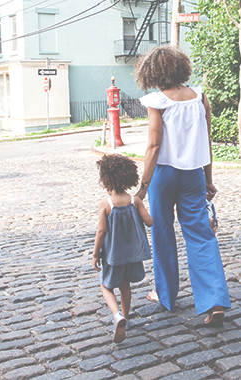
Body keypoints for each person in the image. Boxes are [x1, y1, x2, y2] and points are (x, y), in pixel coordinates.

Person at [134, 45, 230, 325]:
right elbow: (206, 141)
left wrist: (142, 186)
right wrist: (209, 178)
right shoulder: (199, 97)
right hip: (193, 175)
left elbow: (154, 145)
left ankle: (166, 295)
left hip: (164, 175)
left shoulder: (157, 101)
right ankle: (213, 301)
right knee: (201, 235)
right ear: (180, 68)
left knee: (162, 233)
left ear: (152, 72)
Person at [92, 154, 153, 343]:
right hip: (132, 255)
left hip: (113, 256)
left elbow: (101, 231)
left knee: (106, 285)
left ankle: (117, 315)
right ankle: (126, 316)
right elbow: (150, 222)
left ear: (105, 180)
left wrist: (95, 254)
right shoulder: (135, 201)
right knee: (125, 285)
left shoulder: (106, 204)